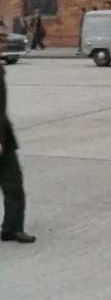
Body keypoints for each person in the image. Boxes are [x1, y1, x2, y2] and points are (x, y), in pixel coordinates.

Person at [0, 25, 36, 243]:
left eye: (3, 41)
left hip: (5, 136)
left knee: (13, 183)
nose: (3, 45)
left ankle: (12, 227)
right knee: (13, 184)